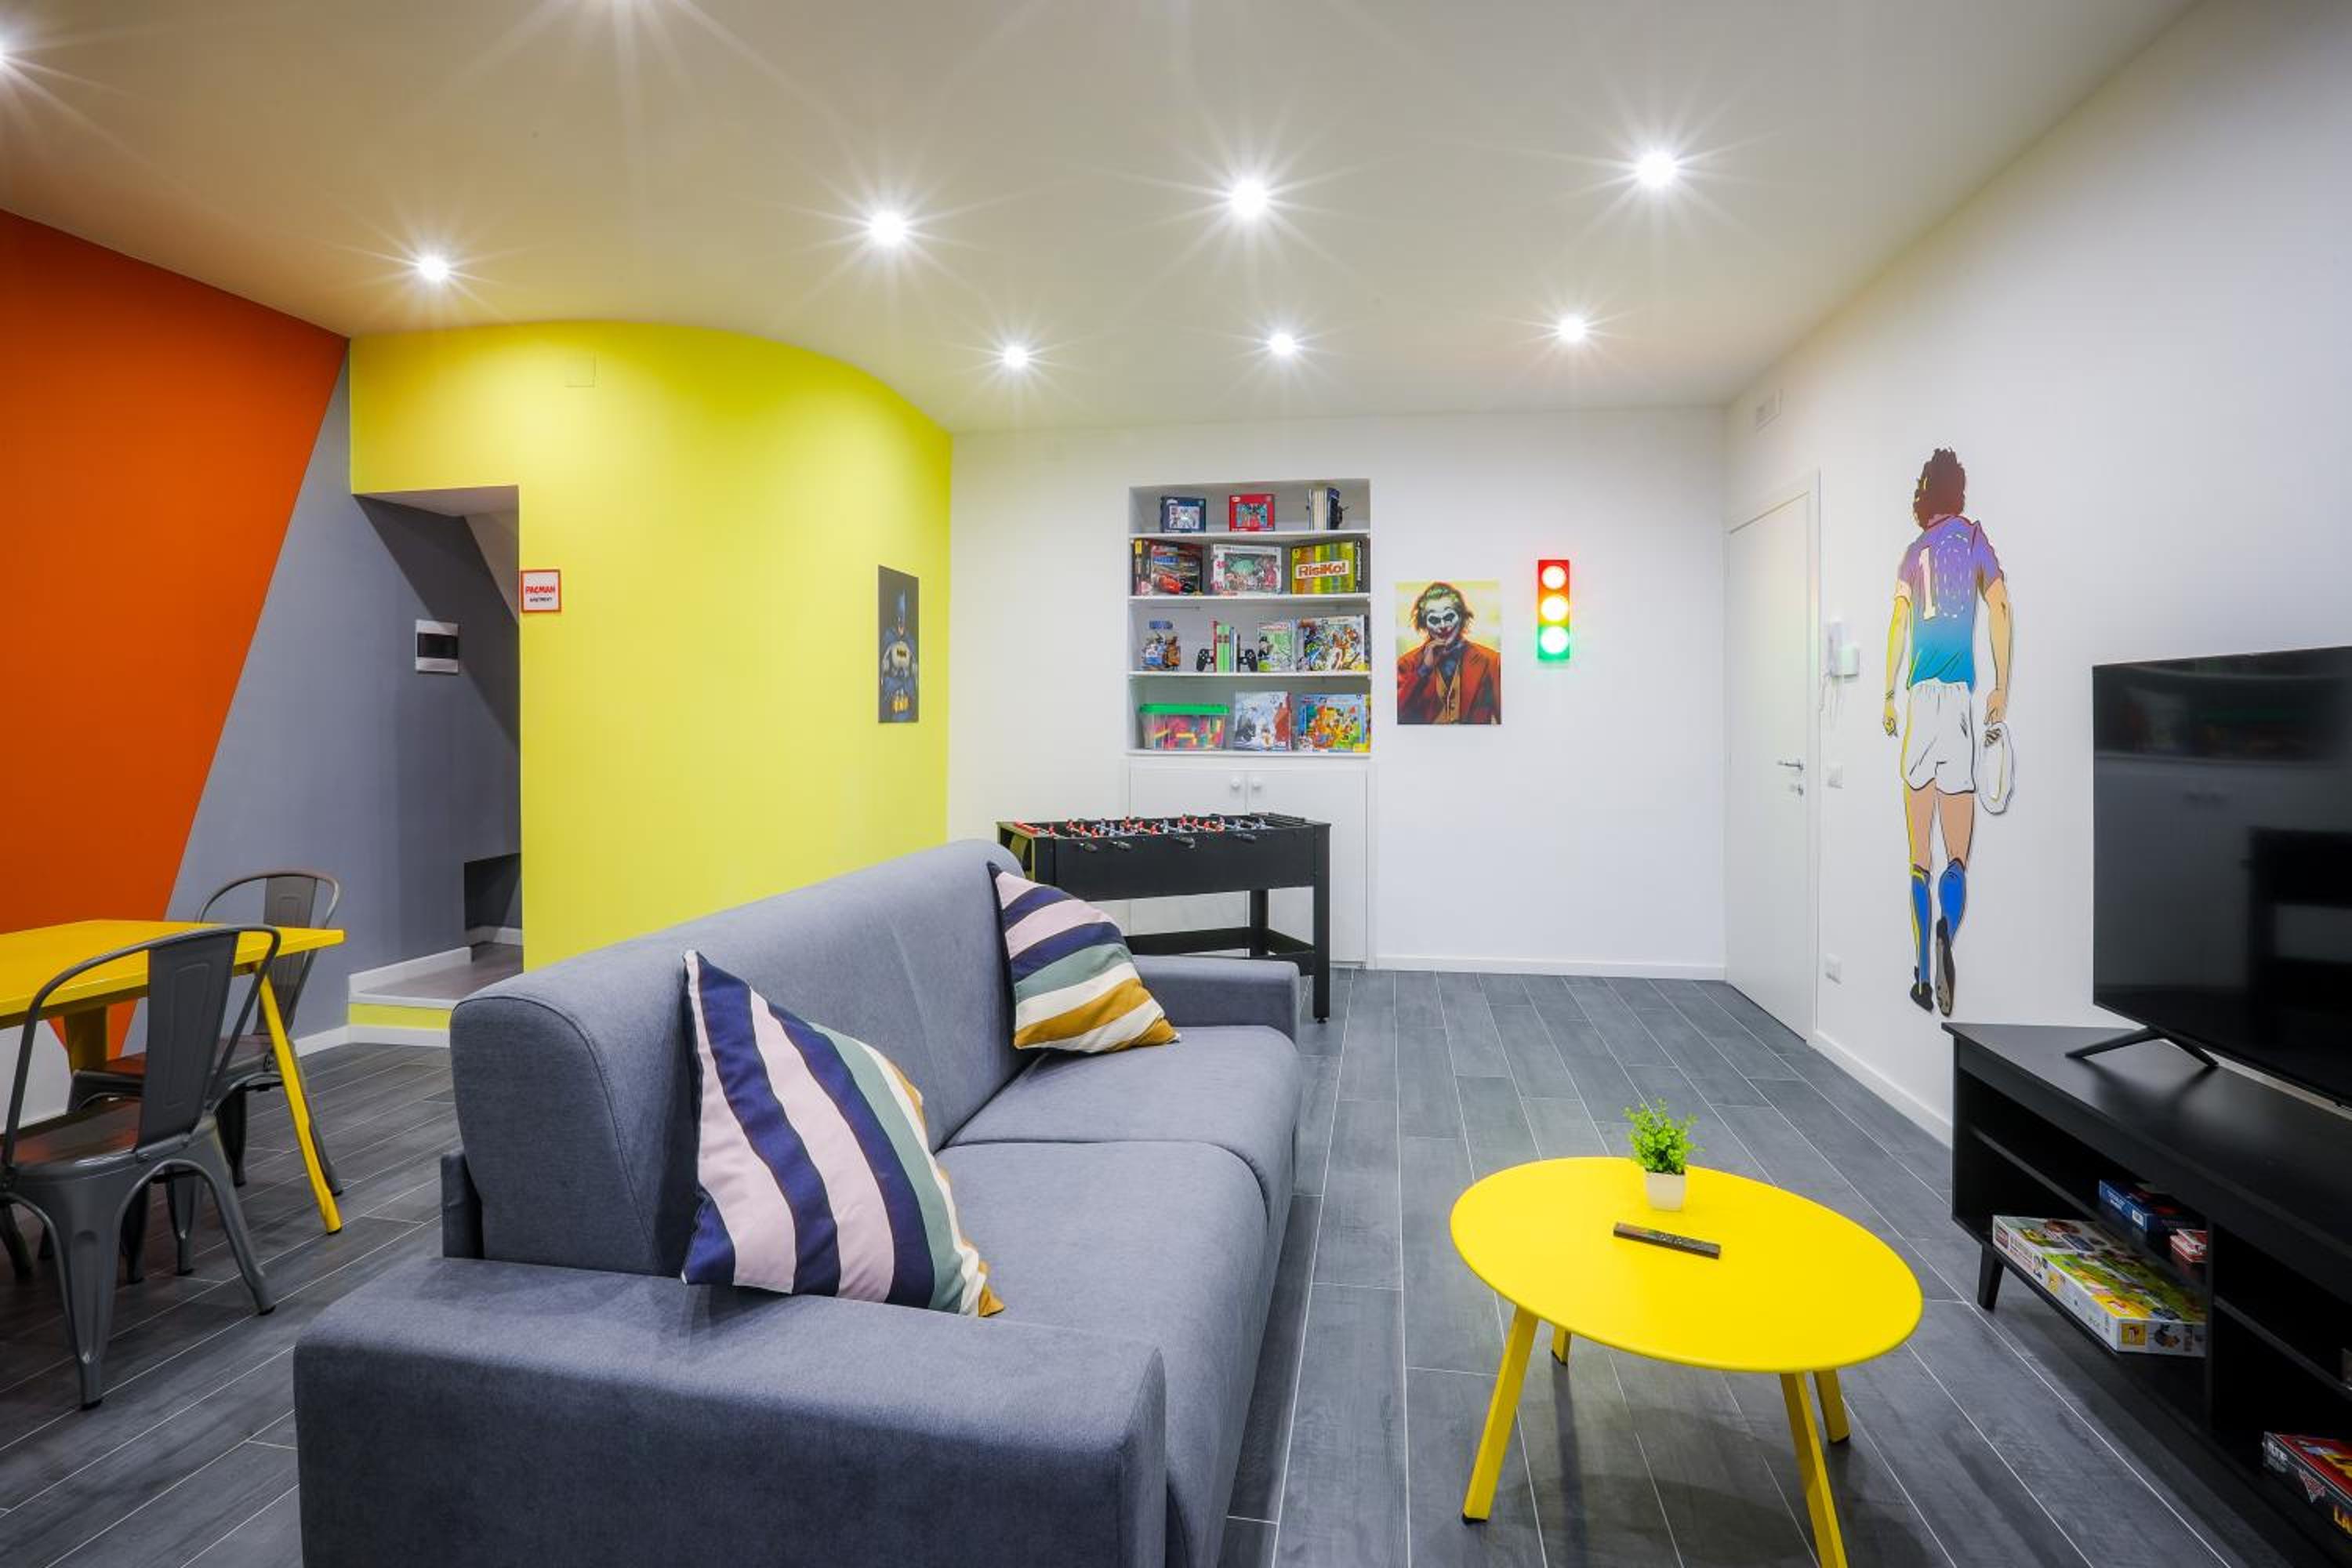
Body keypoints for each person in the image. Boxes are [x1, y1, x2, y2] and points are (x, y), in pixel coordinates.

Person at [1883, 448, 2011, 1015]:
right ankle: (1946, 932)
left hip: (1919, 702)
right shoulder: (1975, 540)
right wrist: (2001, 686)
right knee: (1958, 853)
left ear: (1924, 495)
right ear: (1958, 492)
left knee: (1920, 854)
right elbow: (1999, 608)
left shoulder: (1914, 554)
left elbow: (1898, 622)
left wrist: (1887, 694)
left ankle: (1919, 973)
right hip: (1959, 700)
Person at [1397, 582, 1501, 724]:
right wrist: (1423, 671)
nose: (1443, 626)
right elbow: (1397, 715)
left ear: (1461, 617)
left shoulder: (1490, 661)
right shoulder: (1408, 663)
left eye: (1448, 617)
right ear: (1424, 624)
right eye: (1434, 620)